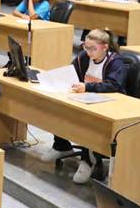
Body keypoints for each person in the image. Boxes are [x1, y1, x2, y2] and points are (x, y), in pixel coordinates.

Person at [41, 29, 127, 184]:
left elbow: (114, 85)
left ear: (105, 47)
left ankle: (88, 160)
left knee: (89, 122)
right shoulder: (84, 57)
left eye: (93, 48)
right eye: (86, 47)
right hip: (86, 99)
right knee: (57, 107)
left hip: (108, 104)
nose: (88, 52)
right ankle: (61, 146)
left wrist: (88, 87)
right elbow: (70, 72)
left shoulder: (115, 62)